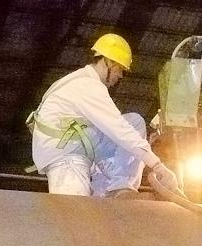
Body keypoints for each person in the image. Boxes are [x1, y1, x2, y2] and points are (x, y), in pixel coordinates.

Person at [27, 33, 178, 197]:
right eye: (120, 69)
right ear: (109, 62)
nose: (120, 76)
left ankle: (116, 189)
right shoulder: (88, 86)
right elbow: (119, 130)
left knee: (134, 122)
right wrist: (157, 165)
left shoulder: (81, 80)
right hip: (65, 155)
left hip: (75, 143)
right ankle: (117, 192)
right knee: (73, 208)